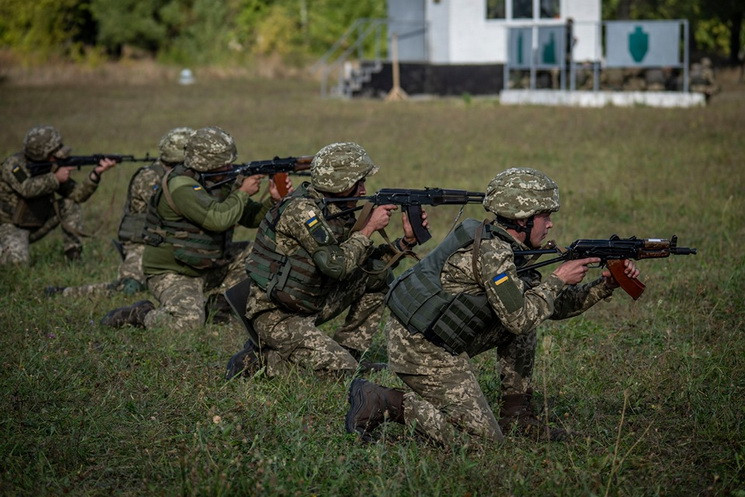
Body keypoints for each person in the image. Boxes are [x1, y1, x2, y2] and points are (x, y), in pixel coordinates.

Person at [345, 167, 639, 445]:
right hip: (422, 348)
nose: (550, 224)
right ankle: (384, 401)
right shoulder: (494, 252)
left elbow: (551, 307)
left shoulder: (508, 245)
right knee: (481, 442)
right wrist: (558, 279)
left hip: (436, 335)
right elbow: (521, 318)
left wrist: (605, 286)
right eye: (544, 216)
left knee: (527, 312)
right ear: (522, 218)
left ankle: (517, 415)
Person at [224, 142, 427, 380]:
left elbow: (360, 264)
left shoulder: (333, 208)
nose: (363, 190)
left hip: (309, 301)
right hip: (276, 315)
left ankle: (350, 352)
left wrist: (406, 242)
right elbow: (337, 267)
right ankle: (261, 361)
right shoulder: (302, 211)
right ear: (340, 185)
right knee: (342, 372)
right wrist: (369, 228)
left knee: (379, 275)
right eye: (357, 183)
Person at [100, 126, 290, 331]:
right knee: (187, 323)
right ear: (206, 163)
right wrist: (243, 193)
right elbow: (217, 219)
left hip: (209, 264)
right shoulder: (181, 185)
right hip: (174, 271)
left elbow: (251, 218)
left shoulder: (218, 181)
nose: (230, 167)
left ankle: (220, 308)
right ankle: (140, 314)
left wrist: (274, 201)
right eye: (224, 163)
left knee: (259, 253)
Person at [45, 127, 194, 298]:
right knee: (129, 287)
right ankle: (65, 293)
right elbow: (173, 210)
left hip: (172, 242)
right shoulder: (150, 177)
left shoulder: (184, 175)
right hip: (143, 243)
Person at [0, 125, 116, 265]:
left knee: (70, 205)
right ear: (42, 154)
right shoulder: (13, 166)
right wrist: (55, 178)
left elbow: (77, 195)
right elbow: (27, 188)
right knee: (16, 265)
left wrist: (95, 174)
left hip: (38, 221)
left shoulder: (52, 166)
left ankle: (74, 259)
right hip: (11, 226)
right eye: (54, 154)